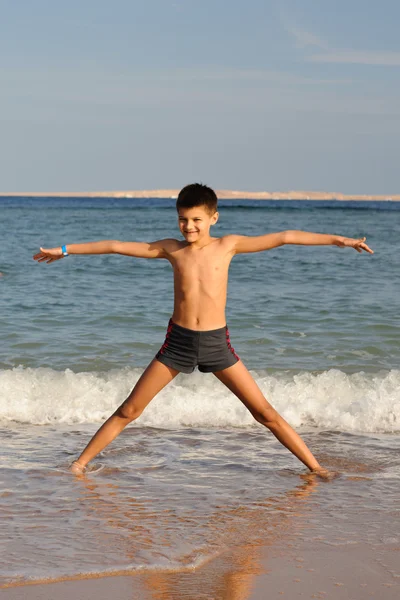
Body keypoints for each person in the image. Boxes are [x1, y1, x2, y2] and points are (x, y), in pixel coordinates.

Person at [33, 184, 373, 478]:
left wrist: (339, 240)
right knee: (130, 410)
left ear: (214, 218)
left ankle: (315, 468)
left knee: (264, 413)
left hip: (215, 343)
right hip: (177, 343)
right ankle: (79, 465)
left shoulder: (229, 245)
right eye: (183, 219)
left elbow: (285, 237)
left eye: (196, 219)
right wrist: (64, 250)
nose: (189, 226)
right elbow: (116, 245)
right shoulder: (171, 249)